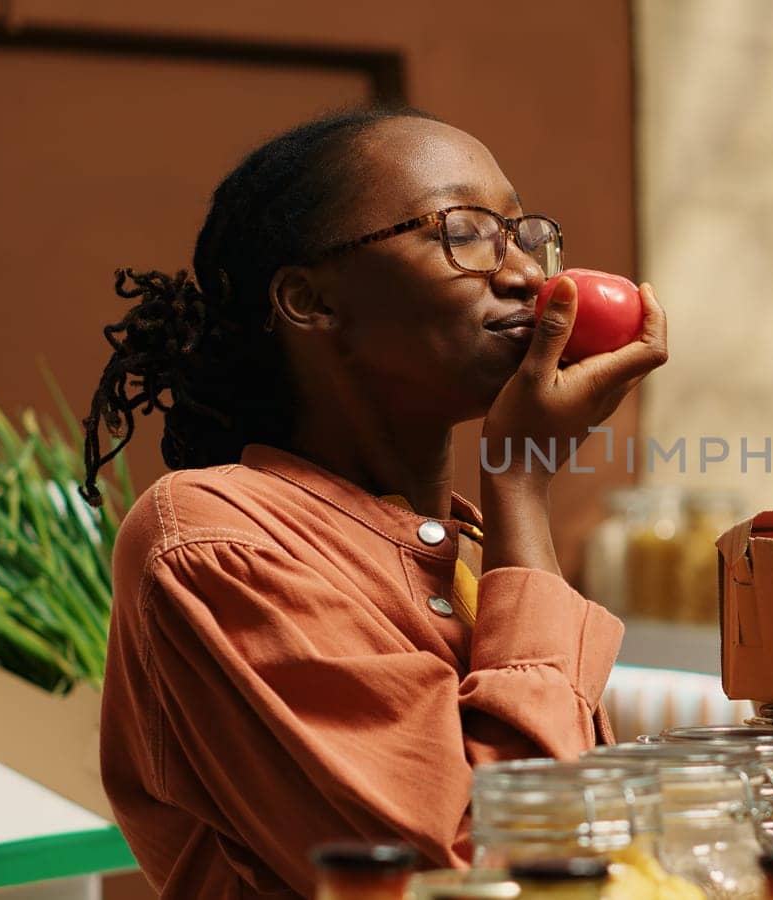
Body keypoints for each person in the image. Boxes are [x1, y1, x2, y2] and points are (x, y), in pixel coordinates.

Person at [82, 107, 667, 898]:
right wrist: (522, 480)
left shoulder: (467, 547)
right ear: (309, 301)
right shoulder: (215, 540)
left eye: (524, 232)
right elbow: (482, 874)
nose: (530, 274)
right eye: (463, 231)